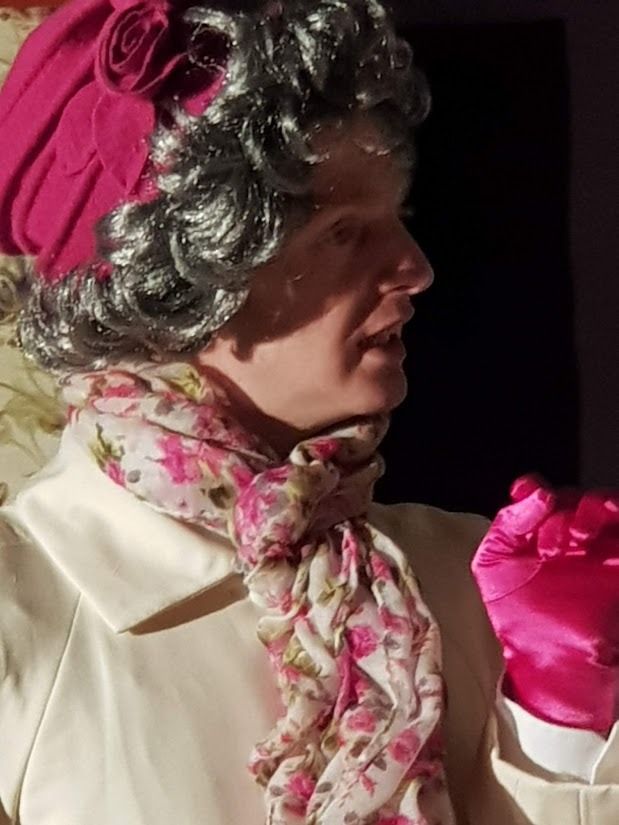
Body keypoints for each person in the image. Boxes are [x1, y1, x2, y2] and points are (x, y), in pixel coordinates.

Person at [0, 0, 617, 823]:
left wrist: (565, 728)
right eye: (342, 233)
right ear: (177, 284)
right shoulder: (21, 612)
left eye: (398, 219)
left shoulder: (477, 581)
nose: (416, 267)